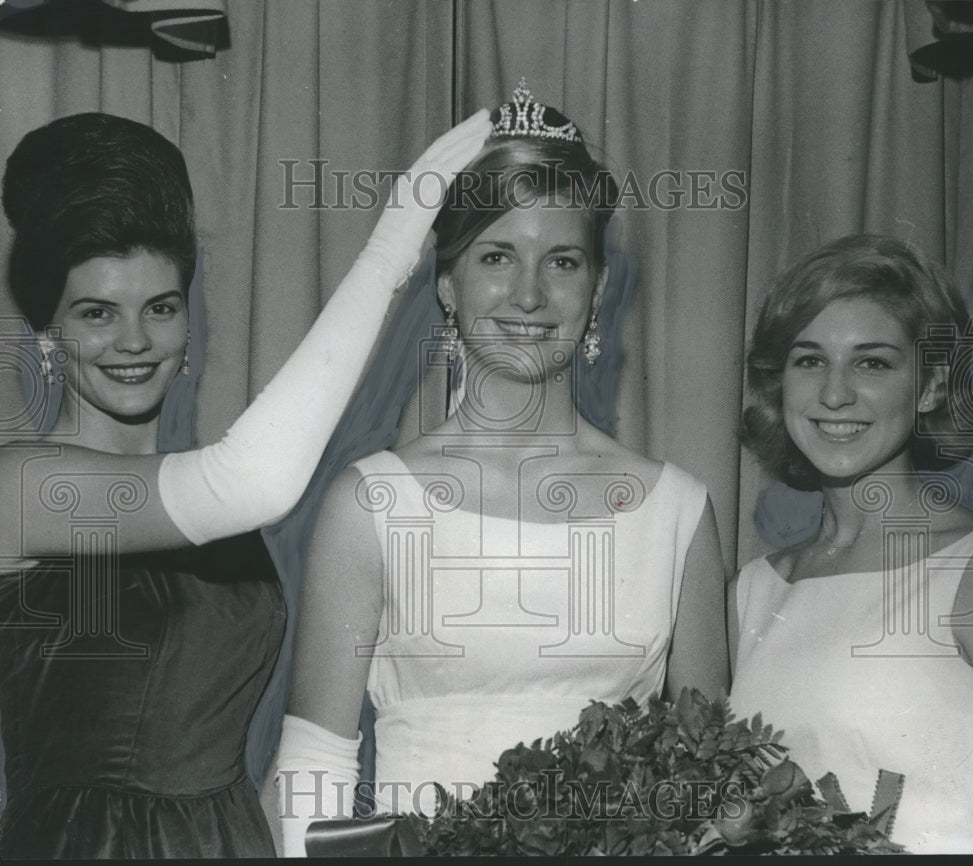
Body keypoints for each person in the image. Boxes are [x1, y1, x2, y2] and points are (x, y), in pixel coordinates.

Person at [0, 109, 490, 858]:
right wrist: (394, 244)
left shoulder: (199, 497)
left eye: (160, 309)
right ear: (45, 333)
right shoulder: (22, 487)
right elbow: (257, 479)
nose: (133, 341)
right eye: (96, 313)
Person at [276, 82, 729, 856]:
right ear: (447, 286)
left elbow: (707, 781)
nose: (528, 293)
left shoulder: (678, 512)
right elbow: (312, 773)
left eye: (561, 261)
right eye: (496, 256)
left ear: (598, 289)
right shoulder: (372, 503)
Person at [729, 234, 973, 854]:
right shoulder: (754, 590)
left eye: (872, 362)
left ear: (930, 387)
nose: (834, 394)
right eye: (809, 359)